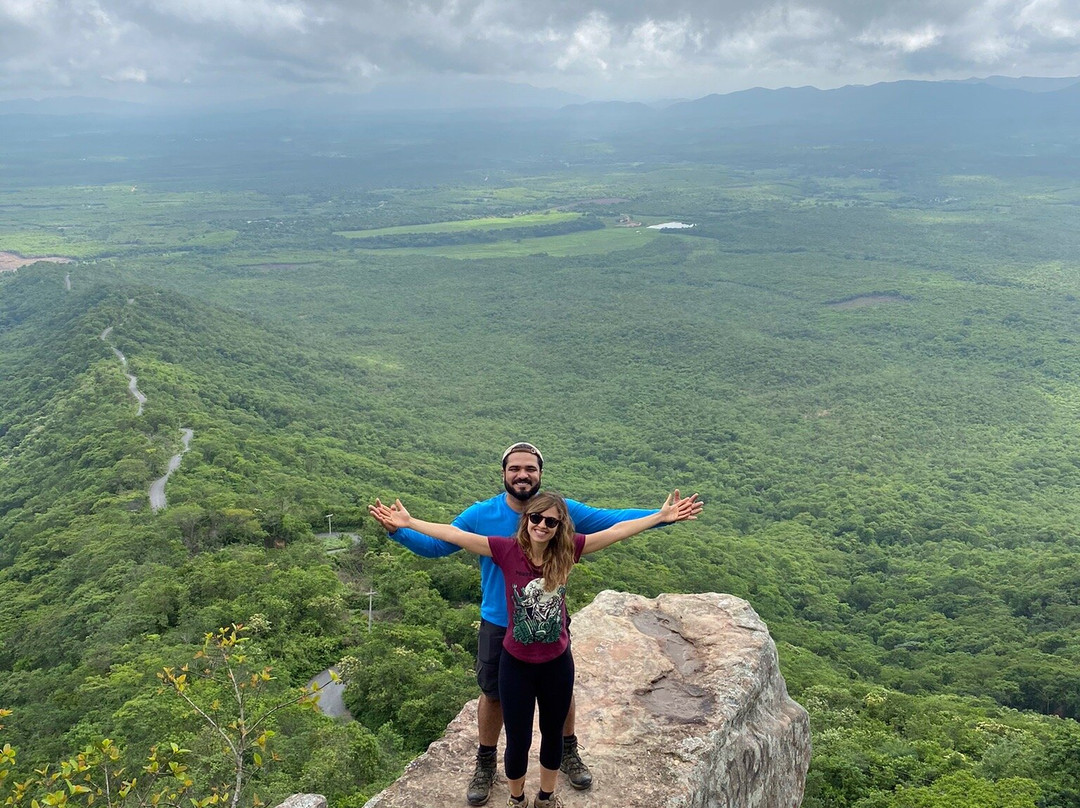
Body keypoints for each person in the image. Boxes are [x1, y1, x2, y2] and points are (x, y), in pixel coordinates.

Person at [373, 442, 702, 805]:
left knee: (559, 691)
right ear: (503, 473)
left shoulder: (557, 510)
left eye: (530, 468)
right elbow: (439, 545)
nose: (522, 475)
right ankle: (485, 763)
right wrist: (399, 530)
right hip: (499, 623)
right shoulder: (483, 515)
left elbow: (612, 522)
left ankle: (566, 751)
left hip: (548, 623)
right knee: (494, 694)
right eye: (515, 468)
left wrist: (659, 515)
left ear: (540, 474)